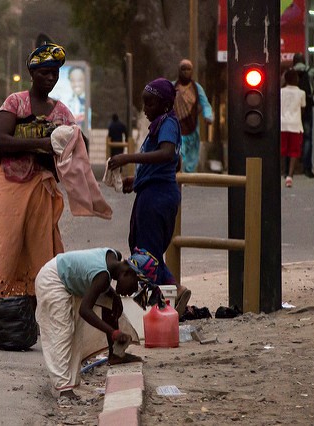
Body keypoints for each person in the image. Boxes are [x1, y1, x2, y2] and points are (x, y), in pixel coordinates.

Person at [0, 42, 75, 306]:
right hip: (10, 183)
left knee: (40, 245)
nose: (50, 78)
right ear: (32, 73)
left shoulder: (61, 113)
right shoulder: (15, 103)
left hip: (41, 186)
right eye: (45, 72)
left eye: (55, 73)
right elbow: (2, 140)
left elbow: (74, 146)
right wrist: (41, 144)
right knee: (6, 240)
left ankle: (39, 302)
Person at [106, 78, 192, 316]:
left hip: (158, 198)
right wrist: (137, 180)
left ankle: (168, 297)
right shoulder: (159, 125)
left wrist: (127, 158)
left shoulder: (168, 124)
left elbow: (165, 154)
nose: (145, 109)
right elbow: (163, 164)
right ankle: (162, 301)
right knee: (145, 250)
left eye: (150, 104)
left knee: (146, 257)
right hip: (152, 192)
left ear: (164, 105)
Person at [35, 247, 157, 399]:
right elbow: (85, 311)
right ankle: (63, 389)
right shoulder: (102, 277)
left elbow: (97, 282)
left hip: (69, 280)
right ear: (126, 273)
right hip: (52, 280)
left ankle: (116, 355)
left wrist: (114, 296)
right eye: (135, 285)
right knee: (62, 333)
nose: (132, 292)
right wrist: (113, 333)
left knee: (110, 302)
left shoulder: (114, 257)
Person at [173, 59, 213, 173]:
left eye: (188, 69)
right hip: (177, 128)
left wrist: (208, 116)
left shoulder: (197, 88)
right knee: (179, 152)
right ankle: (179, 175)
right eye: (183, 69)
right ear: (179, 71)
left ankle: (186, 176)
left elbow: (205, 104)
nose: (186, 72)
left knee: (192, 157)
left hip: (192, 128)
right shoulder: (172, 87)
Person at [292, 52, 314, 178]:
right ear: (303, 60)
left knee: (293, 137)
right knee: (307, 138)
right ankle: (307, 169)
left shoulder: (290, 72)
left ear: (294, 61)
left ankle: (289, 170)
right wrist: (313, 93)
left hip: (294, 108)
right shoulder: (311, 71)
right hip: (307, 107)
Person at [280, 68, 306, 188]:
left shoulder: (280, 92)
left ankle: (281, 172)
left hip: (282, 124)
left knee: (282, 150)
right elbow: (303, 108)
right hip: (296, 125)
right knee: (294, 152)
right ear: (297, 79)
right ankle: (290, 176)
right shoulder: (301, 93)